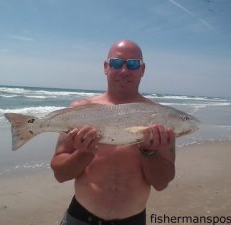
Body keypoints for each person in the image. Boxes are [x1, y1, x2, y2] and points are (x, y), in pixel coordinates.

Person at [50, 40, 176, 225]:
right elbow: (60, 175)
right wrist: (83, 154)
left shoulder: (159, 118)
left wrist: (149, 152)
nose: (124, 70)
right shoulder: (80, 112)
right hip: (79, 218)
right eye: (117, 63)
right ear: (106, 67)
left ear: (142, 70)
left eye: (133, 64)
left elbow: (161, 183)